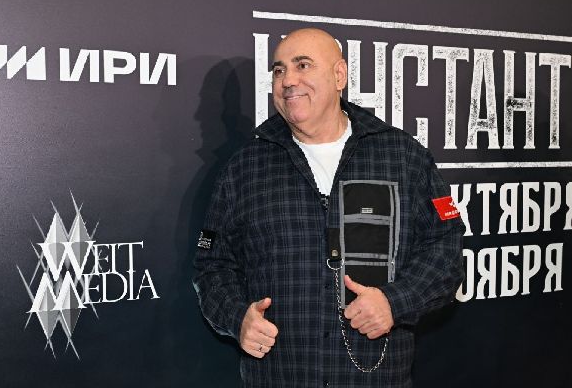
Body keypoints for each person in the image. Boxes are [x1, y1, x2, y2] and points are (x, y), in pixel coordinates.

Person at [193, 28, 464, 387]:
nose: (288, 80)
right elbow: (211, 264)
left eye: (303, 65)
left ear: (339, 76)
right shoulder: (245, 167)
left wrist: (395, 302)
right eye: (279, 70)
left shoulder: (403, 156)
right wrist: (236, 316)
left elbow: (446, 249)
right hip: (279, 377)